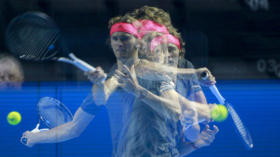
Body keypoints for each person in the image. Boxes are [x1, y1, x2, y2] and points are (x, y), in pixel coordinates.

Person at [21, 10, 218, 157]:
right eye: (115, 39)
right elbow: (74, 127)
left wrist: (193, 75)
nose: (119, 43)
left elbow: (175, 112)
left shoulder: (155, 74)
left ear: (138, 43)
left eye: (125, 38)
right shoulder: (115, 78)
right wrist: (36, 137)